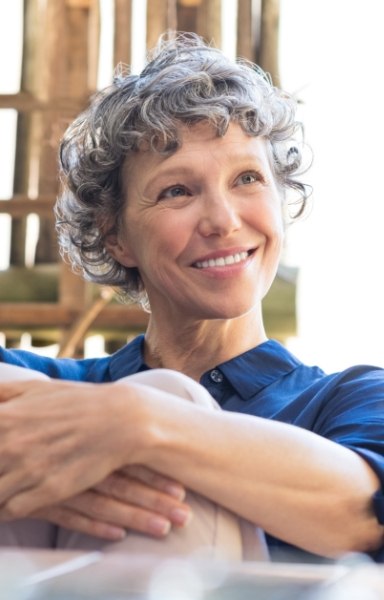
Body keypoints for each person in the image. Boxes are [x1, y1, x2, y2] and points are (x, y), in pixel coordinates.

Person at [0, 32, 383, 563]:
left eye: (247, 178)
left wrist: (146, 422)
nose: (224, 221)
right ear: (115, 235)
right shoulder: (57, 386)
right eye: (177, 190)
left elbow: (365, 513)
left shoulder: (350, 400)